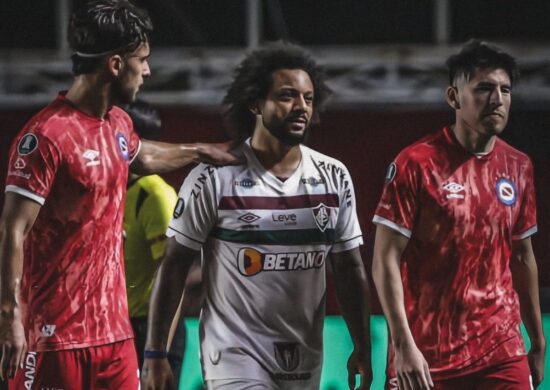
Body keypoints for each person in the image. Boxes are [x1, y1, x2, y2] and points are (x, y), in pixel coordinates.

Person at [0, 1, 239, 389]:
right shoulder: (46, 136)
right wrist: (9, 318)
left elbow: (139, 155)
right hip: (53, 339)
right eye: (141, 60)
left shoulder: (118, 124)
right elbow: (11, 230)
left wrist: (201, 151)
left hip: (116, 337)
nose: (146, 71)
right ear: (114, 65)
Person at [141, 42, 372, 390]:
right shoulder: (214, 176)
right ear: (255, 103)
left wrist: (363, 347)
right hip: (233, 356)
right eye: (287, 96)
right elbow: (174, 266)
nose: (301, 108)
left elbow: (349, 269)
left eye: (308, 99)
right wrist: (155, 355)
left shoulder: (333, 176)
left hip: (303, 357)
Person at [372, 40, 545, 390]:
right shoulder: (416, 164)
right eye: (483, 88)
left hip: (501, 350)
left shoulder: (519, 166)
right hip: (426, 356)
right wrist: (404, 346)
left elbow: (523, 259)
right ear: (453, 97)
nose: (497, 98)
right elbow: (384, 260)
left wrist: (538, 341)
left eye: (505, 89)